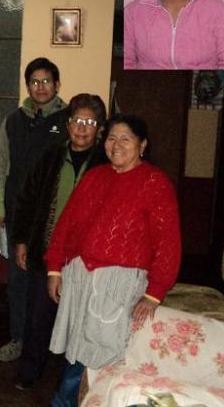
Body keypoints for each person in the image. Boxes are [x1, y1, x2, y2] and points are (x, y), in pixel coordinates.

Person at [45, 114, 182, 406]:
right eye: (111, 138)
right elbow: (66, 224)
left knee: (103, 352)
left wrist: (154, 293)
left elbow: (168, 242)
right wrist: (55, 269)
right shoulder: (94, 176)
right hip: (80, 277)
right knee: (77, 349)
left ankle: (68, 401)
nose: (116, 145)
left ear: (142, 145)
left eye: (125, 139)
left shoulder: (155, 183)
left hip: (119, 285)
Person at [10, 94, 107, 391]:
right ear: (67, 124)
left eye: (89, 122)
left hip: (85, 259)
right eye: (77, 120)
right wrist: (22, 240)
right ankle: (30, 371)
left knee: (79, 320)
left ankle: (70, 381)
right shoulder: (51, 156)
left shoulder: (105, 163)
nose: (82, 128)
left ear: (99, 128)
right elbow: (27, 199)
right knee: (38, 317)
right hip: (46, 250)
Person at [0, 57, 69, 363]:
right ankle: (19, 339)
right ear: (27, 86)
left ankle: (51, 344)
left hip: (54, 217)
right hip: (18, 215)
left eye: (46, 81)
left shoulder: (69, 120)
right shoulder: (13, 120)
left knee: (53, 280)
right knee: (19, 281)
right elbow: (0, 166)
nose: (40, 87)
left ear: (57, 84)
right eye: (34, 82)